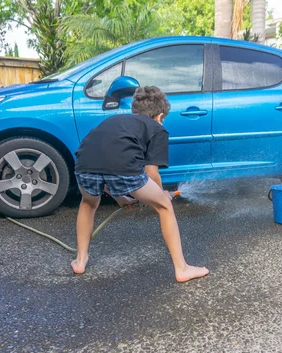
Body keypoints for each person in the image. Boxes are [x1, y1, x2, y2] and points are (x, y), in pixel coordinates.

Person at [72, 86, 209, 283]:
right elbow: (151, 172)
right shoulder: (156, 128)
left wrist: (121, 198)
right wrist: (161, 195)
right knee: (164, 207)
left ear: (136, 110)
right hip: (121, 165)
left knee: (88, 203)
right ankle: (182, 268)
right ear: (160, 116)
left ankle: (80, 260)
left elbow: (103, 166)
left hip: (83, 164)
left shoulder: (115, 121)